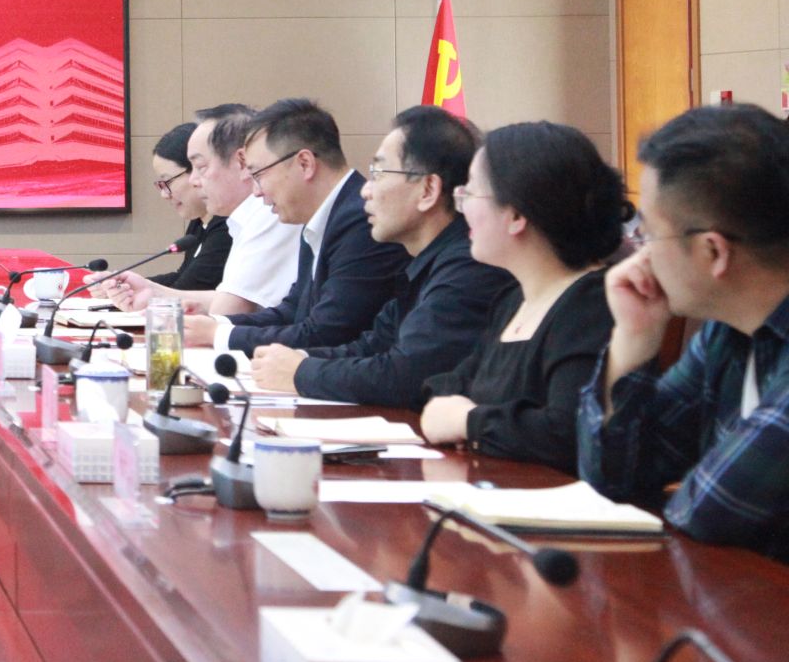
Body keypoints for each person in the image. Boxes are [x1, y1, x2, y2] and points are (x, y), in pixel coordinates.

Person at [580, 103, 789, 561]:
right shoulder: (727, 332)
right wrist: (633, 339)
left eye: (650, 233)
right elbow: (612, 478)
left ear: (714, 251)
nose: (640, 253)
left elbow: (708, 512)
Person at [249, 107, 512, 406]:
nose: (365, 191)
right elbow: (372, 346)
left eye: (378, 174)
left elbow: (404, 376)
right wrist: (293, 360)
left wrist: (301, 372)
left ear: (428, 190)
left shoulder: (467, 269)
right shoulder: (424, 264)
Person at [416, 121, 621, 468]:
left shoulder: (592, 306)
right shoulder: (513, 300)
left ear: (515, 215)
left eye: (471, 193)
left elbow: (567, 432)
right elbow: (448, 387)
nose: (461, 207)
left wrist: (470, 422)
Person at [187, 98, 407, 353]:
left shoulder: (361, 221)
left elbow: (327, 332)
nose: (257, 192)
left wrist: (219, 335)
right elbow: (292, 311)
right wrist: (215, 325)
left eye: (259, 175)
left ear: (305, 163)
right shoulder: (319, 218)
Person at [106, 103, 297, 316]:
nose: (194, 180)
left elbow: (229, 311)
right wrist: (153, 292)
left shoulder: (269, 214)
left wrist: (164, 300)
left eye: (201, 167)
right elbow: (228, 298)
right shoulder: (241, 220)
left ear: (242, 162)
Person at [148, 122, 230, 291]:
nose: (164, 194)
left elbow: (189, 289)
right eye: (161, 184)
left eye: (167, 181)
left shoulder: (228, 225)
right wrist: (126, 284)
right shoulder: (199, 222)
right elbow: (183, 276)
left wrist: (136, 290)